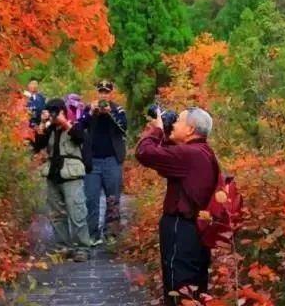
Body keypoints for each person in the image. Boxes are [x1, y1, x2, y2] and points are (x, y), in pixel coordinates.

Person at [135, 107, 217, 306]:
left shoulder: (189, 154)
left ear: (190, 129)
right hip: (197, 231)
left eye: (178, 121)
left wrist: (156, 130)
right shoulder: (202, 152)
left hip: (182, 229)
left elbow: (144, 152)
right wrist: (165, 134)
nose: (173, 124)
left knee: (178, 287)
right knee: (194, 288)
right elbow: (167, 157)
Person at [33, 98, 91, 262]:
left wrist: (64, 122)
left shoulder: (75, 124)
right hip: (53, 173)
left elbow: (80, 137)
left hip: (71, 174)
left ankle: (82, 247)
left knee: (76, 211)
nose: (53, 115)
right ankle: (63, 246)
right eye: (50, 111)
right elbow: (38, 146)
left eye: (55, 111)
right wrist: (43, 124)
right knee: (56, 214)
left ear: (63, 111)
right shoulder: (49, 129)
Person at [81, 80, 127, 244]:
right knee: (91, 199)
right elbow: (79, 127)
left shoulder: (118, 110)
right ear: (97, 93)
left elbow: (123, 128)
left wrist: (110, 114)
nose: (103, 95)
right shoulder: (89, 108)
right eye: (101, 92)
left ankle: (111, 234)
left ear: (111, 93)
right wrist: (91, 112)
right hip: (92, 161)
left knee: (113, 198)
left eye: (106, 92)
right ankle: (92, 235)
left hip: (112, 161)